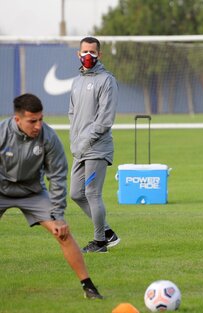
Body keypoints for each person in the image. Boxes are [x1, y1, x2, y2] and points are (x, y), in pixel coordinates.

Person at [0, 93, 103, 299]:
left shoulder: (49, 137)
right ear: (17, 119)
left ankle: (89, 287)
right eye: (32, 121)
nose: (38, 125)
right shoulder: (2, 133)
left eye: (41, 119)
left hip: (32, 192)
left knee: (62, 232)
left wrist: (58, 216)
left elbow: (57, 178)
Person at [69, 36, 120, 253]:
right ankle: (107, 231)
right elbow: (72, 113)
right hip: (79, 148)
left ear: (99, 54)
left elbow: (105, 119)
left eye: (92, 52)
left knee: (92, 193)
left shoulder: (107, 80)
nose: (88, 56)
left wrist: (86, 141)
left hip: (97, 148)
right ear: (78, 54)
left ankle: (100, 242)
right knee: (75, 193)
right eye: (84, 52)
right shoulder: (77, 81)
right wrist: (75, 141)